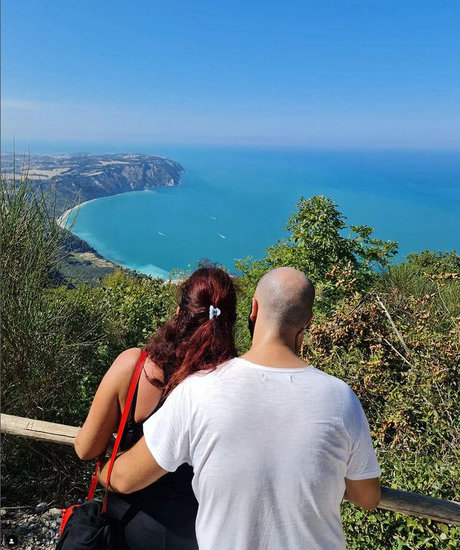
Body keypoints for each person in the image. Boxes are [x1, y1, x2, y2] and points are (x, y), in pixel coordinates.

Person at [100, 267, 381, 550]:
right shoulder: (341, 397)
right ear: (307, 322)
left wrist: (102, 470)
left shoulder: (199, 390)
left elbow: (124, 478)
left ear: (254, 309)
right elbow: (367, 498)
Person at [74, 266, 237, 550]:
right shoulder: (233, 383)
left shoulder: (133, 366)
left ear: (178, 314)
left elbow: (86, 448)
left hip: (126, 524)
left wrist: (108, 466)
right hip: (197, 530)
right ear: (229, 323)